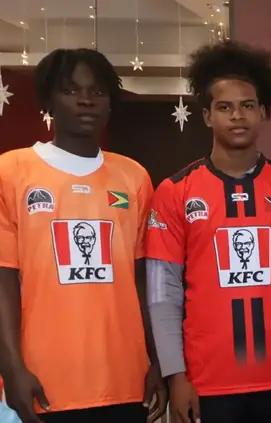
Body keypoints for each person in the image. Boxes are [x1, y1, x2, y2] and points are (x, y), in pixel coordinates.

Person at [145, 40, 271, 423]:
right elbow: (163, 293)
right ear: (207, 116)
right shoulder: (174, 191)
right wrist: (176, 375)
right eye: (225, 107)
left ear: (263, 112)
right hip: (206, 384)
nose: (237, 116)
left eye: (247, 105)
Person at [0, 48, 167, 423]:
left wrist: (159, 361)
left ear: (111, 102)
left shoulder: (134, 177)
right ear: (48, 101)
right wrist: (11, 367)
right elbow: (3, 280)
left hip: (126, 381)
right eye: (70, 91)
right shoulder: (11, 172)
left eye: (98, 91)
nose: (86, 100)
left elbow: (145, 281)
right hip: (44, 384)